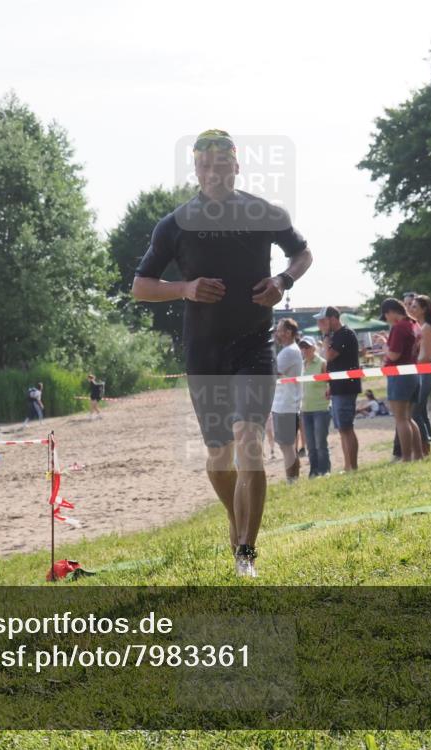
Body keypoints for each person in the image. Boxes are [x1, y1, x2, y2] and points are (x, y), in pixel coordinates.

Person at [131, 129, 312, 577]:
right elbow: (140, 286)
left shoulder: (263, 213)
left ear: (237, 166)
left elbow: (303, 253)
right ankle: (237, 521)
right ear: (195, 170)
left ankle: (246, 553)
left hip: (253, 344)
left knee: (250, 441)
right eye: (204, 165)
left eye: (221, 164)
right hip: (204, 351)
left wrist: (282, 282)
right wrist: (185, 288)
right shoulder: (175, 224)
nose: (213, 173)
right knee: (219, 455)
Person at [317, 306, 361, 471]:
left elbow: (328, 356)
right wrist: (330, 385)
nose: (321, 324)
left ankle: (352, 467)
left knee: (346, 427)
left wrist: (326, 335)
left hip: (346, 386)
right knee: (342, 429)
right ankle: (348, 466)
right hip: (338, 386)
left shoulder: (345, 334)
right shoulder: (338, 335)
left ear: (333, 318)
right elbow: (331, 361)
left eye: (324, 320)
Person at [380, 298, 423, 461]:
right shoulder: (414, 324)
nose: (387, 319)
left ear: (391, 312)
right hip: (413, 373)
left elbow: (393, 354)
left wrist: (384, 345)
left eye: (386, 316)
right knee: (409, 418)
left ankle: (406, 457)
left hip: (400, 376)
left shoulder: (399, 328)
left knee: (401, 419)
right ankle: (418, 455)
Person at [271, 318, 304, 482]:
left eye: (279, 330)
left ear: (288, 332)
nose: (276, 333)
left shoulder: (289, 351)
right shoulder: (290, 350)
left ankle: (292, 480)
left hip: (286, 404)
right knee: (288, 446)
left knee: (287, 446)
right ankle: (293, 479)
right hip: (286, 404)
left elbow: (273, 373)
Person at [408, 294, 431, 456]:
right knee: (421, 411)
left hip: (426, 373)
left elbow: (426, 356)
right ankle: (427, 443)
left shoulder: (426, 327)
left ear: (424, 309)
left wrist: (411, 365)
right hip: (420, 372)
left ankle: (424, 445)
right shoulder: (418, 326)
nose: (410, 309)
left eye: (414, 306)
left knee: (415, 411)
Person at [298, 336, 331, 477]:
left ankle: (324, 471)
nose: (304, 350)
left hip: (321, 408)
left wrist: (330, 390)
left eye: (307, 347)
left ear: (314, 348)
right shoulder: (302, 365)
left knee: (320, 443)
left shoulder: (322, 363)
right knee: (311, 445)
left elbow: (331, 382)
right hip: (305, 409)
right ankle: (314, 471)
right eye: (303, 347)